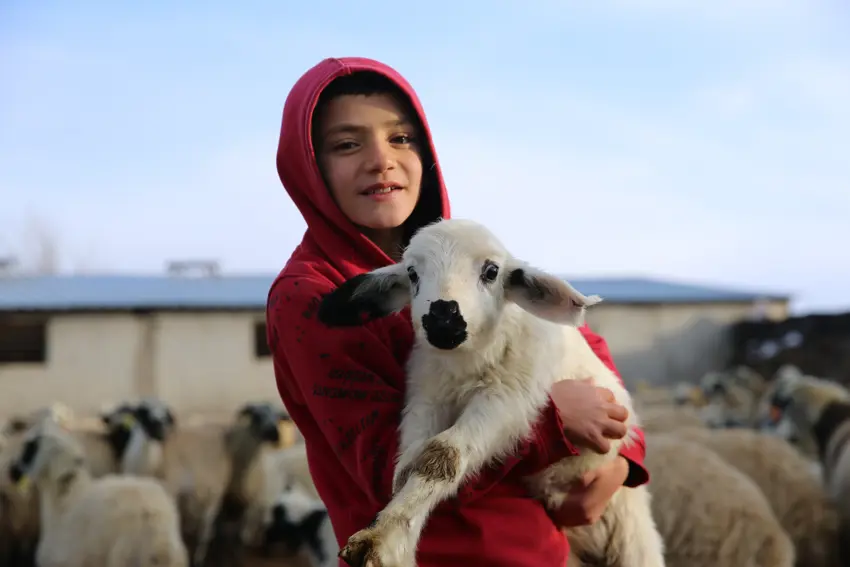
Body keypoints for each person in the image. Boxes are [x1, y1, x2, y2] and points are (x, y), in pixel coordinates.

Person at [266, 56, 649, 567]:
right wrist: (548, 422)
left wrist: (622, 461)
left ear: (425, 152)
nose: (381, 160)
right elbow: (385, 472)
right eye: (347, 144)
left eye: (401, 138)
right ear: (309, 166)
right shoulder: (311, 297)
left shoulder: (464, 252)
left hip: (540, 550)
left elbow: (577, 347)